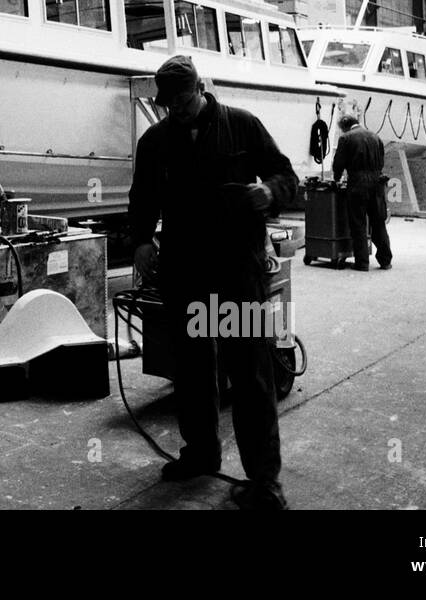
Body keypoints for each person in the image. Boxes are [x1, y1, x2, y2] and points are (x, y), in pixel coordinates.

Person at [128, 55, 298, 511]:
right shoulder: (156, 141)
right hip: (187, 271)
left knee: (250, 374)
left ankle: (264, 479)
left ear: (200, 88)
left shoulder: (243, 125)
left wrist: (269, 192)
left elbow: (287, 178)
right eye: (168, 103)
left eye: (182, 99)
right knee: (194, 371)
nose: (176, 109)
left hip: (238, 270)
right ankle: (201, 454)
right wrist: (141, 240)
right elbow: (142, 197)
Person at [332, 114, 392, 271]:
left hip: (358, 185)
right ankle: (385, 260)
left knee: (358, 224)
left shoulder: (346, 138)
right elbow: (382, 160)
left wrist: (337, 179)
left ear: (344, 126)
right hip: (377, 183)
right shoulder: (375, 137)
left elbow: (338, 163)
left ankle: (362, 263)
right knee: (378, 223)